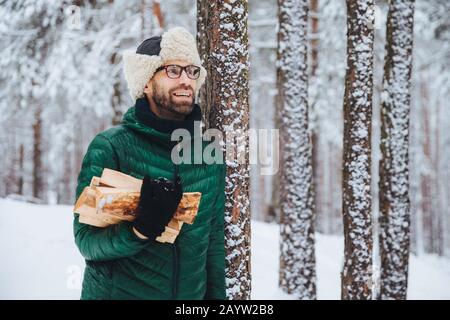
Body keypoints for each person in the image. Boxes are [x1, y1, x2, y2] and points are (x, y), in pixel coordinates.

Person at [73, 27, 226, 300]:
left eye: (192, 71)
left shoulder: (207, 153)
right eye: (173, 70)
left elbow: (213, 250)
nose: (186, 80)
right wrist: (140, 229)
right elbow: (87, 242)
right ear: (145, 82)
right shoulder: (111, 147)